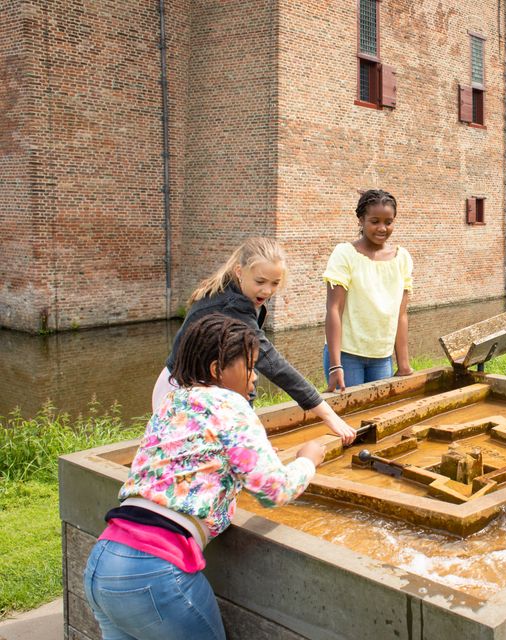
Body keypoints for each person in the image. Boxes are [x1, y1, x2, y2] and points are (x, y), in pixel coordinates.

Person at [85, 314, 331, 639]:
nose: (255, 378)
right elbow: (273, 489)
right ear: (217, 369)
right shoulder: (230, 403)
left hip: (103, 562)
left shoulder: (172, 401)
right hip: (155, 572)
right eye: (249, 366)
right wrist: (307, 461)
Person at [152, 237, 355, 443]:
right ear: (240, 271)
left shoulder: (237, 291)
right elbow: (272, 364)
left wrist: (251, 439)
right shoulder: (232, 307)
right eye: (260, 282)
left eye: (275, 283)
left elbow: (246, 370)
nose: (267, 291)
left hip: (205, 391)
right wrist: (328, 415)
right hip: (180, 392)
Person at [323, 189, 413, 391]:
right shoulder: (345, 254)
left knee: (378, 418)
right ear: (361, 220)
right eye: (375, 221)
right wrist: (335, 365)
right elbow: (334, 309)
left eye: (388, 222)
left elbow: (401, 314)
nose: (382, 228)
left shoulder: (402, 258)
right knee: (350, 418)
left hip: (381, 356)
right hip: (347, 355)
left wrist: (404, 364)